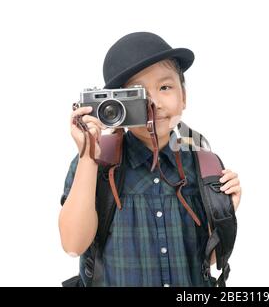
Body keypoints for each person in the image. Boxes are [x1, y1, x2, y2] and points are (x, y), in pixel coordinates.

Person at [58, 32, 242, 287]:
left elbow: (205, 259)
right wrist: (88, 156)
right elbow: (73, 245)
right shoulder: (97, 162)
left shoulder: (205, 165)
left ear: (184, 97)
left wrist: (224, 212)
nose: (153, 102)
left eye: (165, 87)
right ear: (113, 107)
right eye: (137, 94)